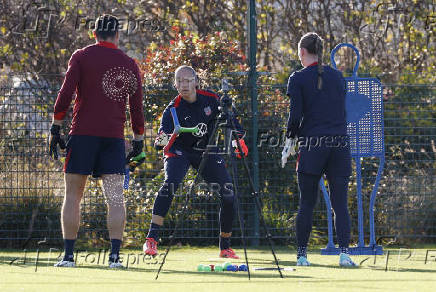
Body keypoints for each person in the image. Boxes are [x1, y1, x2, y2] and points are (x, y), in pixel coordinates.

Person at [49, 14, 145, 268]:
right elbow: (136, 107)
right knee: (115, 198)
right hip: (113, 138)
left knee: (72, 197)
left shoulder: (81, 56)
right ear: (117, 35)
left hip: (82, 135)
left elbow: (66, 93)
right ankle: (114, 258)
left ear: (95, 34)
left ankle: (69, 257)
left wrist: (55, 127)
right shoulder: (129, 63)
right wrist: (139, 139)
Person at [143, 65, 248, 259]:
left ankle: (225, 247)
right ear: (175, 84)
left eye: (188, 80)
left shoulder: (210, 98)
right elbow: (161, 142)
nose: (184, 84)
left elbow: (231, 120)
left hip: (205, 150)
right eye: (180, 81)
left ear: (196, 82)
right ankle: (152, 239)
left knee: (228, 195)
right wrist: (165, 139)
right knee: (170, 184)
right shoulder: (171, 111)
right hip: (179, 152)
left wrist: (238, 140)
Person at [282, 32, 357, 267]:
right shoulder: (337, 77)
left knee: (306, 202)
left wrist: (289, 142)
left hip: (313, 145)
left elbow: (295, 117)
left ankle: (302, 256)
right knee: (340, 203)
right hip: (339, 144)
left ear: (302, 52)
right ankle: (345, 254)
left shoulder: (298, 78)